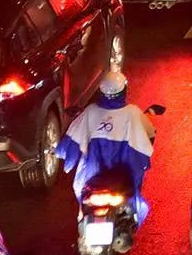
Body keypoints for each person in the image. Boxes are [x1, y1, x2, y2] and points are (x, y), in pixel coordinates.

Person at [56, 72, 157, 226]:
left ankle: (82, 217)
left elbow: (71, 141)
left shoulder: (90, 111)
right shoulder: (133, 112)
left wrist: (59, 150)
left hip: (92, 175)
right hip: (123, 174)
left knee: (82, 192)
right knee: (135, 199)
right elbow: (148, 135)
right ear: (123, 91)